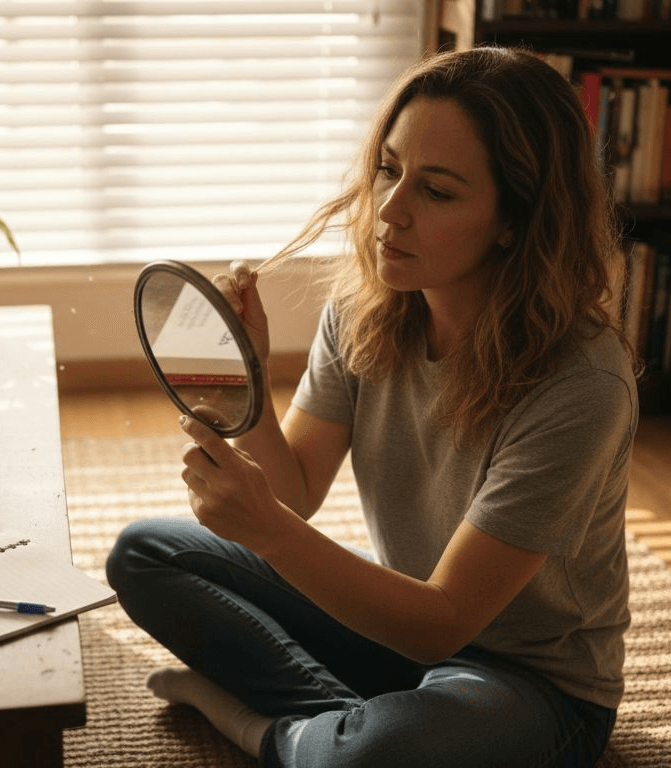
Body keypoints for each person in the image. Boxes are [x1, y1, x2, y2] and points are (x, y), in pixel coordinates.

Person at [107, 45, 638, 767]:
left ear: (515, 219)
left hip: (533, 684)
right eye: (390, 169)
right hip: (398, 628)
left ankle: (276, 731)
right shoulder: (367, 312)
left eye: (437, 192)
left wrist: (265, 530)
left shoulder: (582, 384)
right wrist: (252, 385)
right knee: (146, 553)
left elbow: (442, 624)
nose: (390, 210)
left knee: (374, 756)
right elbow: (295, 493)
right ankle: (347, 733)